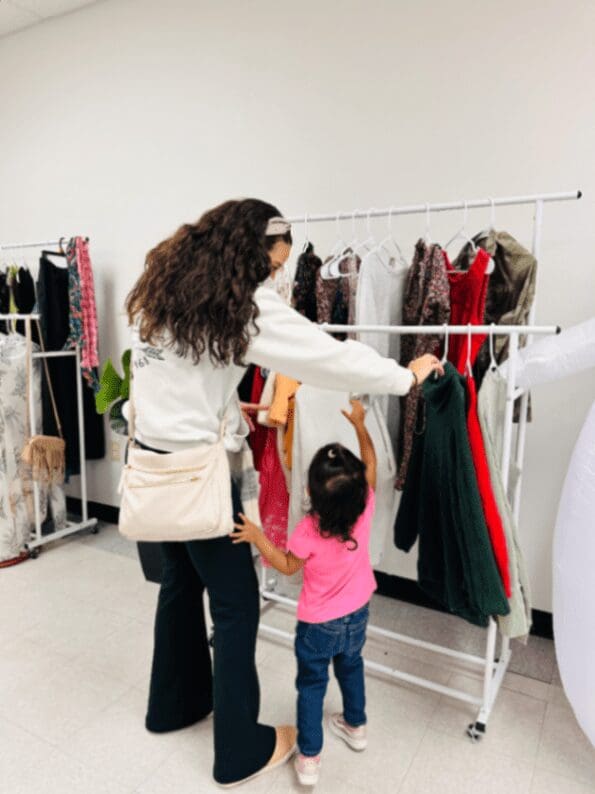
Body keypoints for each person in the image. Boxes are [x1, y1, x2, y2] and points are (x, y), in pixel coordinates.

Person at [125, 198, 443, 788]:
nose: (275, 276)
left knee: (180, 584)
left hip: (152, 464)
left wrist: (222, 407)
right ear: (250, 253)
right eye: (274, 264)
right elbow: (327, 357)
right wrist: (405, 376)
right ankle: (239, 750)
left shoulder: (165, 286)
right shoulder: (242, 306)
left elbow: (169, 379)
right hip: (199, 476)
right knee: (237, 603)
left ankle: (172, 705)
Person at [232, 399, 379, 786]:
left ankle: (310, 757)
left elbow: (286, 565)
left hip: (318, 624)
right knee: (351, 666)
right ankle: (356, 726)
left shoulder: (308, 532)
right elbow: (371, 464)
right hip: (358, 612)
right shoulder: (365, 507)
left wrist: (258, 537)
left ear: (311, 492)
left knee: (312, 685)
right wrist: (360, 426)